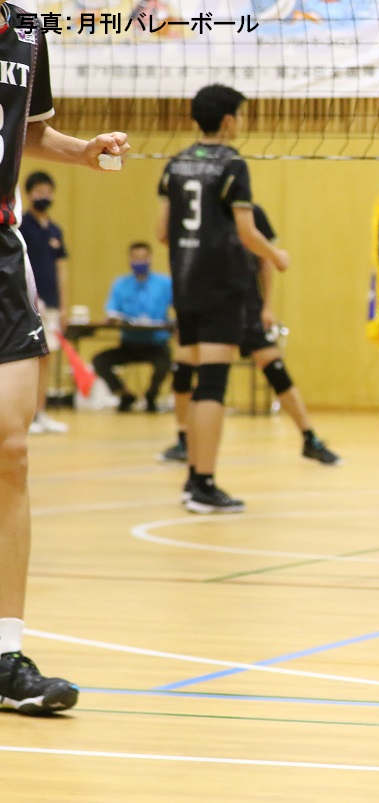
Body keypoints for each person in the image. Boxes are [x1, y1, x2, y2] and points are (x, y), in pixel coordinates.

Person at [0, 5, 130, 714]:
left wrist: (81, 152)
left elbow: (27, 131)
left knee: (12, 451)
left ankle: (5, 655)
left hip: (1, 252)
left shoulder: (26, 30)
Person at [157, 84, 289, 514]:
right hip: (221, 286)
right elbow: (248, 233)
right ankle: (203, 483)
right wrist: (276, 256)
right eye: (242, 115)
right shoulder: (232, 164)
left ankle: (194, 479)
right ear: (230, 119)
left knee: (201, 381)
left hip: (185, 284)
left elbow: (161, 232)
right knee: (213, 384)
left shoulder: (175, 163)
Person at [160, 203, 339, 465]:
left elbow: (264, 260)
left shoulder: (251, 212)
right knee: (184, 369)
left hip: (247, 305)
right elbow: (174, 248)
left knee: (275, 368)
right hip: (207, 305)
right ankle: (183, 438)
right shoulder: (199, 211)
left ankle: (309, 438)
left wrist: (267, 305)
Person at [92, 242, 173, 413]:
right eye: (136, 258)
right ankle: (125, 394)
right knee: (99, 360)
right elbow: (112, 311)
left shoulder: (165, 284)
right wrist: (113, 319)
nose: (140, 262)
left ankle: (151, 395)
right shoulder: (120, 284)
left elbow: (179, 307)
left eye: (143, 258)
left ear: (150, 259)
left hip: (156, 345)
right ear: (129, 259)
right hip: (128, 345)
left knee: (165, 362)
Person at [18, 171, 69, 434]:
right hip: (27, 302)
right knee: (28, 360)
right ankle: (25, 416)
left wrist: (64, 306)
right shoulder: (21, 227)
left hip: (51, 305)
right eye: (39, 191)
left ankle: (41, 413)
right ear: (28, 194)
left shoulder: (55, 230)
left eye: (48, 191)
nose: (44, 196)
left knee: (46, 358)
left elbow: (61, 269)